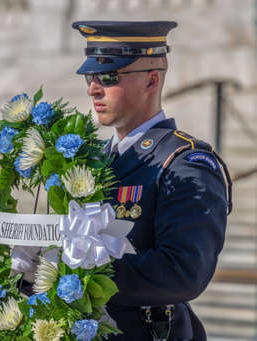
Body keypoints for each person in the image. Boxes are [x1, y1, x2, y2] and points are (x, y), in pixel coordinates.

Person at [72, 21, 232, 341]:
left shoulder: (185, 164)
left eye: (108, 77)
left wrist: (79, 275)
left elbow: (183, 272)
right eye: (91, 77)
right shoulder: (96, 161)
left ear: (151, 80)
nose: (93, 88)